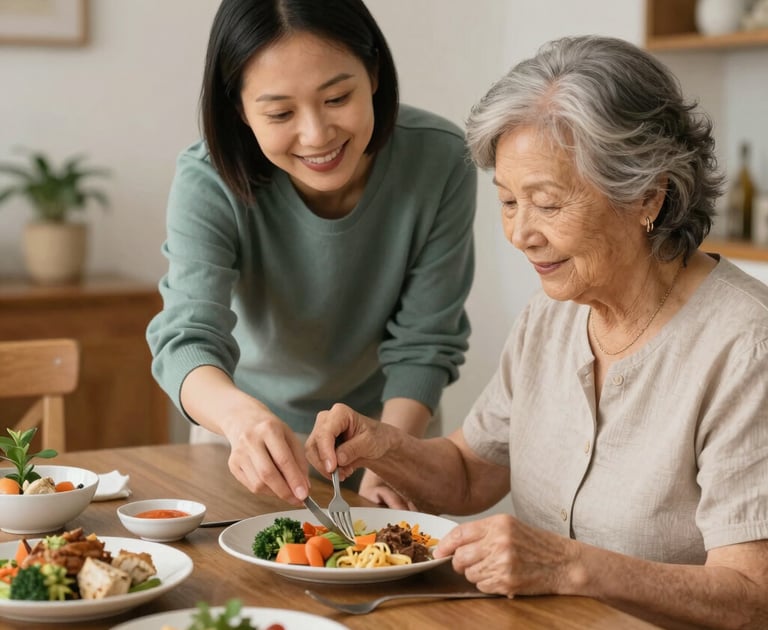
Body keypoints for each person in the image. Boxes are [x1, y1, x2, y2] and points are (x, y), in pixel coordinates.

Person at [305, 35, 768, 629]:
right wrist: (383, 446)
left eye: (546, 204)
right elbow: (473, 474)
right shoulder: (553, 314)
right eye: (507, 201)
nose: (520, 233)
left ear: (647, 195)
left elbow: (752, 596)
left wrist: (569, 566)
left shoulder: (745, 347)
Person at [146, 0, 476, 508]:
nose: (317, 135)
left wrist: (390, 454)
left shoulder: (440, 160)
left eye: (337, 97)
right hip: (247, 439)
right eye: (280, 112)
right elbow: (187, 339)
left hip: (391, 425)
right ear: (239, 108)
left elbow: (425, 343)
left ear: (374, 73)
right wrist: (241, 419)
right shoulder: (208, 178)